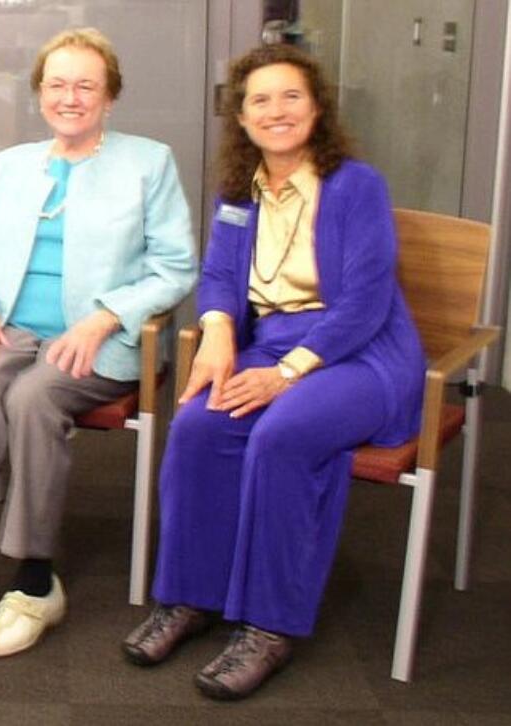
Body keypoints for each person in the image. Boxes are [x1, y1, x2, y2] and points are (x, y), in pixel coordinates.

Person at [121, 44, 427, 699]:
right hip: (272, 343)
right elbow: (222, 276)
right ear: (242, 116)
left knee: (281, 435)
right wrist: (219, 331)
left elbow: (366, 302)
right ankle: (190, 598)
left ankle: (268, 625)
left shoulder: (355, 185)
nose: (276, 110)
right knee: (200, 424)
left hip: (360, 353)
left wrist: (285, 374)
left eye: (291, 95)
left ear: (316, 107)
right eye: (260, 99)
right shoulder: (241, 191)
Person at [0, 28, 197, 658]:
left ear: (109, 96)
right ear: (39, 93)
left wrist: (106, 317)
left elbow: (176, 267)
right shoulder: (2, 168)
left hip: (95, 342)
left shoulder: (147, 163)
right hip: (11, 330)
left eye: (85, 85)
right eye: (57, 85)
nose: (69, 97)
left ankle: (34, 580)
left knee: (33, 398)